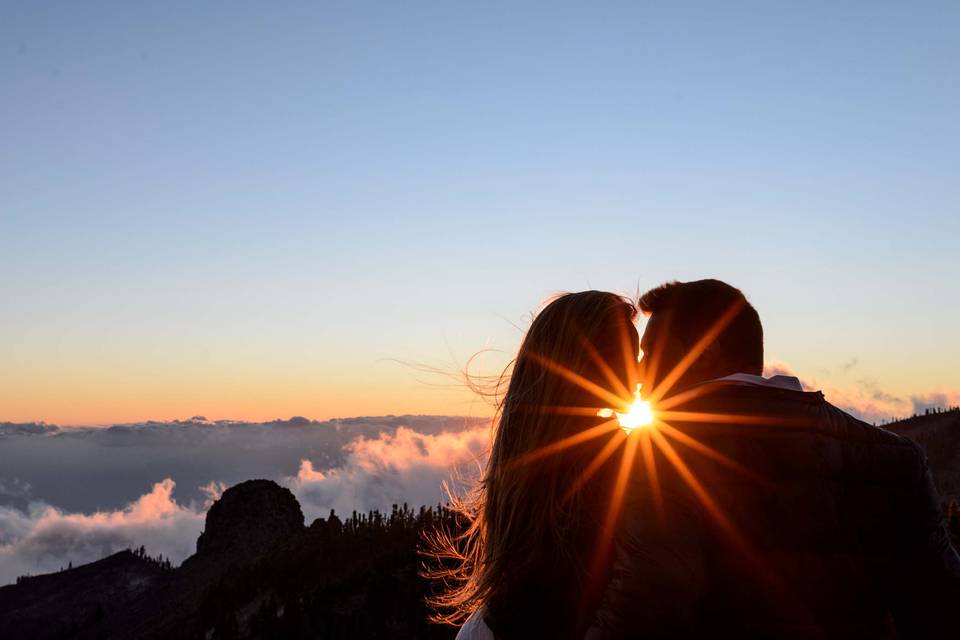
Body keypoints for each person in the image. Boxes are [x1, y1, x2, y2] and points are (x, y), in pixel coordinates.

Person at [591, 279, 960, 638]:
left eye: (651, 354)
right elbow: (939, 605)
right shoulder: (896, 457)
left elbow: (647, 609)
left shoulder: (661, 452)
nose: (638, 373)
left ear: (704, 352)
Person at [425, 291, 643, 640]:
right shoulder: (618, 458)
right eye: (631, 356)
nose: (641, 372)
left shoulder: (524, 453)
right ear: (591, 363)